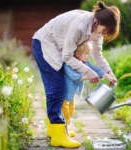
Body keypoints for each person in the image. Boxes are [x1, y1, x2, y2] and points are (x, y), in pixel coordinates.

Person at [32, 1, 120, 148]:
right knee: (56, 88)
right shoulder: (79, 26)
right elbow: (67, 56)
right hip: (44, 44)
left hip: (59, 48)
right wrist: (88, 71)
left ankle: (53, 129)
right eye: (104, 31)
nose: (103, 35)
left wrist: (109, 73)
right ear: (97, 21)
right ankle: (58, 135)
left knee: (58, 89)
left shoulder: (97, 29)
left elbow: (98, 55)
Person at [62, 41, 114, 137]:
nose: (87, 57)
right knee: (64, 111)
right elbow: (75, 76)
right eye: (86, 54)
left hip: (71, 93)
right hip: (64, 92)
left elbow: (94, 69)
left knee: (71, 109)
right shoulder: (68, 64)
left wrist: (107, 75)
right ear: (77, 54)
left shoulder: (84, 62)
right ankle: (62, 131)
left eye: (88, 54)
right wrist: (88, 76)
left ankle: (66, 128)